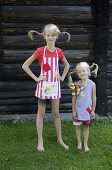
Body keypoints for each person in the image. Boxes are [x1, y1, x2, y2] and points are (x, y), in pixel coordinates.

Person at [22, 24, 70, 151]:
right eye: (48, 35)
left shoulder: (59, 52)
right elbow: (25, 66)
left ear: (56, 36)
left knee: (56, 114)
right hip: (43, 86)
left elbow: (67, 66)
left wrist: (62, 77)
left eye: (53, 35)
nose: (50, 38)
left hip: (55, 86)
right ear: (44, 36)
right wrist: (36, 78)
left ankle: (60, 139)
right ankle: (40, 140)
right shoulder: (40, 51)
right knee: (41, 113)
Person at [72, 62, 96, 152]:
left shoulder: (92, 84)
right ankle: (79, 143)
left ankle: (85, 144)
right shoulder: (76, 85)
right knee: (78, 126)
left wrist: (93, 110)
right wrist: (73, 110)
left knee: (86, 126)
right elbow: (74, 98)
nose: (82, 73)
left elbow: (94, 97)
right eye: (79, 72)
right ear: (77, 74)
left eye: (83, 71)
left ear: (88, 71)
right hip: (78, 109)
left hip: (87, 110)